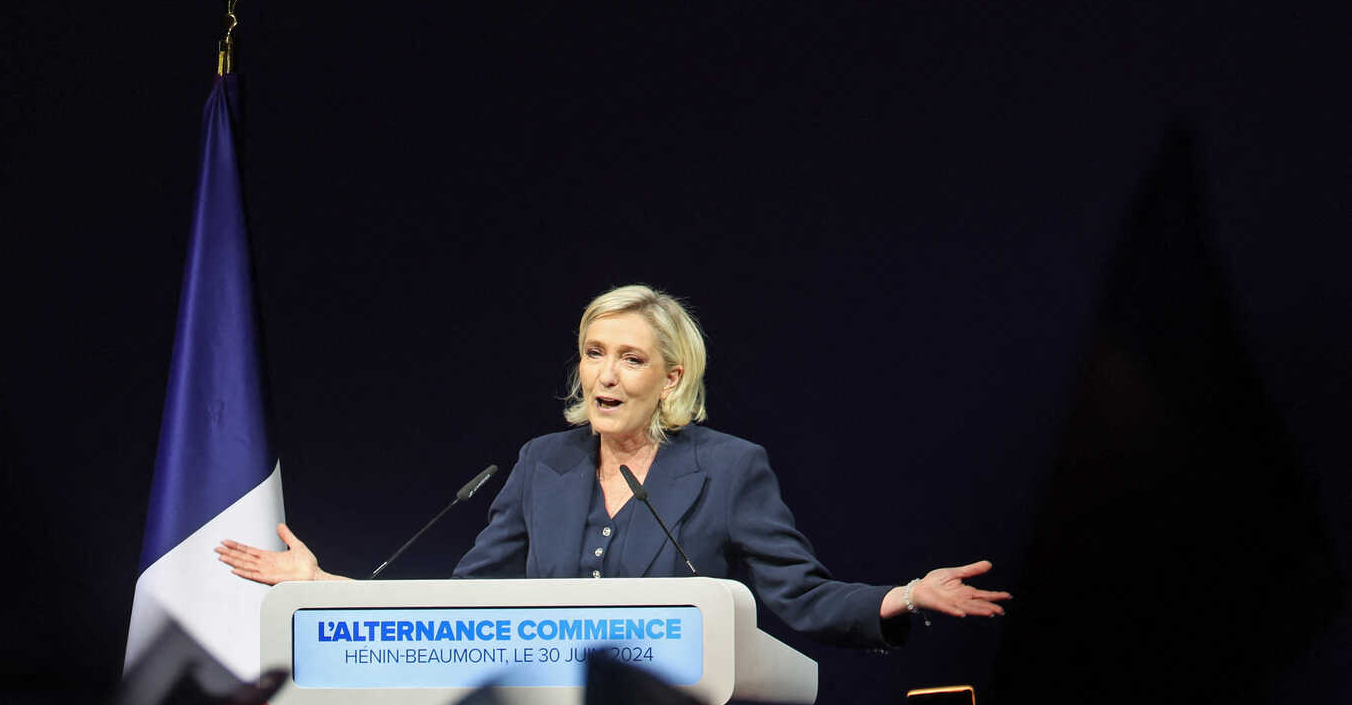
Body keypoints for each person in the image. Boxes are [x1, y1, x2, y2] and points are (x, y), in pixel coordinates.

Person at [216, 285, 1008, 647]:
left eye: (630, 359)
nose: (604, 375)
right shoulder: (542, 463)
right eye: (594, 353)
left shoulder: (730, 468)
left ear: (670, 379)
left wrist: (907, 594)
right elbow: (462, 607)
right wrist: (320, 587)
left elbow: (799, 596)